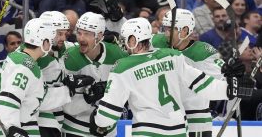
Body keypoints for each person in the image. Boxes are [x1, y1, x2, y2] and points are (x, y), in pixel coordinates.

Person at [89, 17, 254, 137]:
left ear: (133, 40)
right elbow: (202, 84)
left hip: (148, 132)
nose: (124, 45)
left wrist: (98, 120)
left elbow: (107, 116)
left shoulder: (122, 67)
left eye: (126, 40)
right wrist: (230, 89)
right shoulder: (172, 56)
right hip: (179, 131)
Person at [152, 8, 226, 137]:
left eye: (171, 29)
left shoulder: (203, 52)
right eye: (165, 29)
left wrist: (235, 76)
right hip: (164, 117)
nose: (166, 34)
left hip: (196, 119)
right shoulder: (157, 43)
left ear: (185, 31)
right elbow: (131, 47)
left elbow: (224, 81)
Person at [61, 12, 128, 136]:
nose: (81, 38)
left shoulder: (117, 54)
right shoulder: (71, 58)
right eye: (79, 33)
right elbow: (66, 105)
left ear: (100, 36)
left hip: (107, 128)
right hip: (75, 127)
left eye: (87, 34)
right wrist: (87, 98)